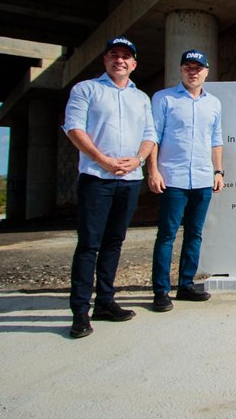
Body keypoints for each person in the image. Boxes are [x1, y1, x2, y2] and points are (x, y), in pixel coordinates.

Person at [63, 36, 156, 338]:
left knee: (114, 243)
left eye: (126, 56)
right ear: (104, 60)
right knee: (89, 244)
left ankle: (105, 302)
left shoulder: (141, 97)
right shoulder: (86, 89)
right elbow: (73, 128)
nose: (120, 60)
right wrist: (101, 159)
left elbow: (150, 134)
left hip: (129, 180)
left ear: (134, 64)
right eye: (113, 55)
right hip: (96, 178)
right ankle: (80, 312)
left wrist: (139, 160)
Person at [148, 49, 223, 312]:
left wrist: (218, 171)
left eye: (198, 67)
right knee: (167, 235)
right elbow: (152, 137)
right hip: (172, 179)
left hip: (203, 178)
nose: (193, 71)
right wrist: (153, 171)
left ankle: (186, 285)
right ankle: (160, 291)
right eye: (188, 67)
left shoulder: (213, 103)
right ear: (181, 70)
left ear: (206, 71)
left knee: (195, 234)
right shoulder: (163, 98)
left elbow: (216, 140)